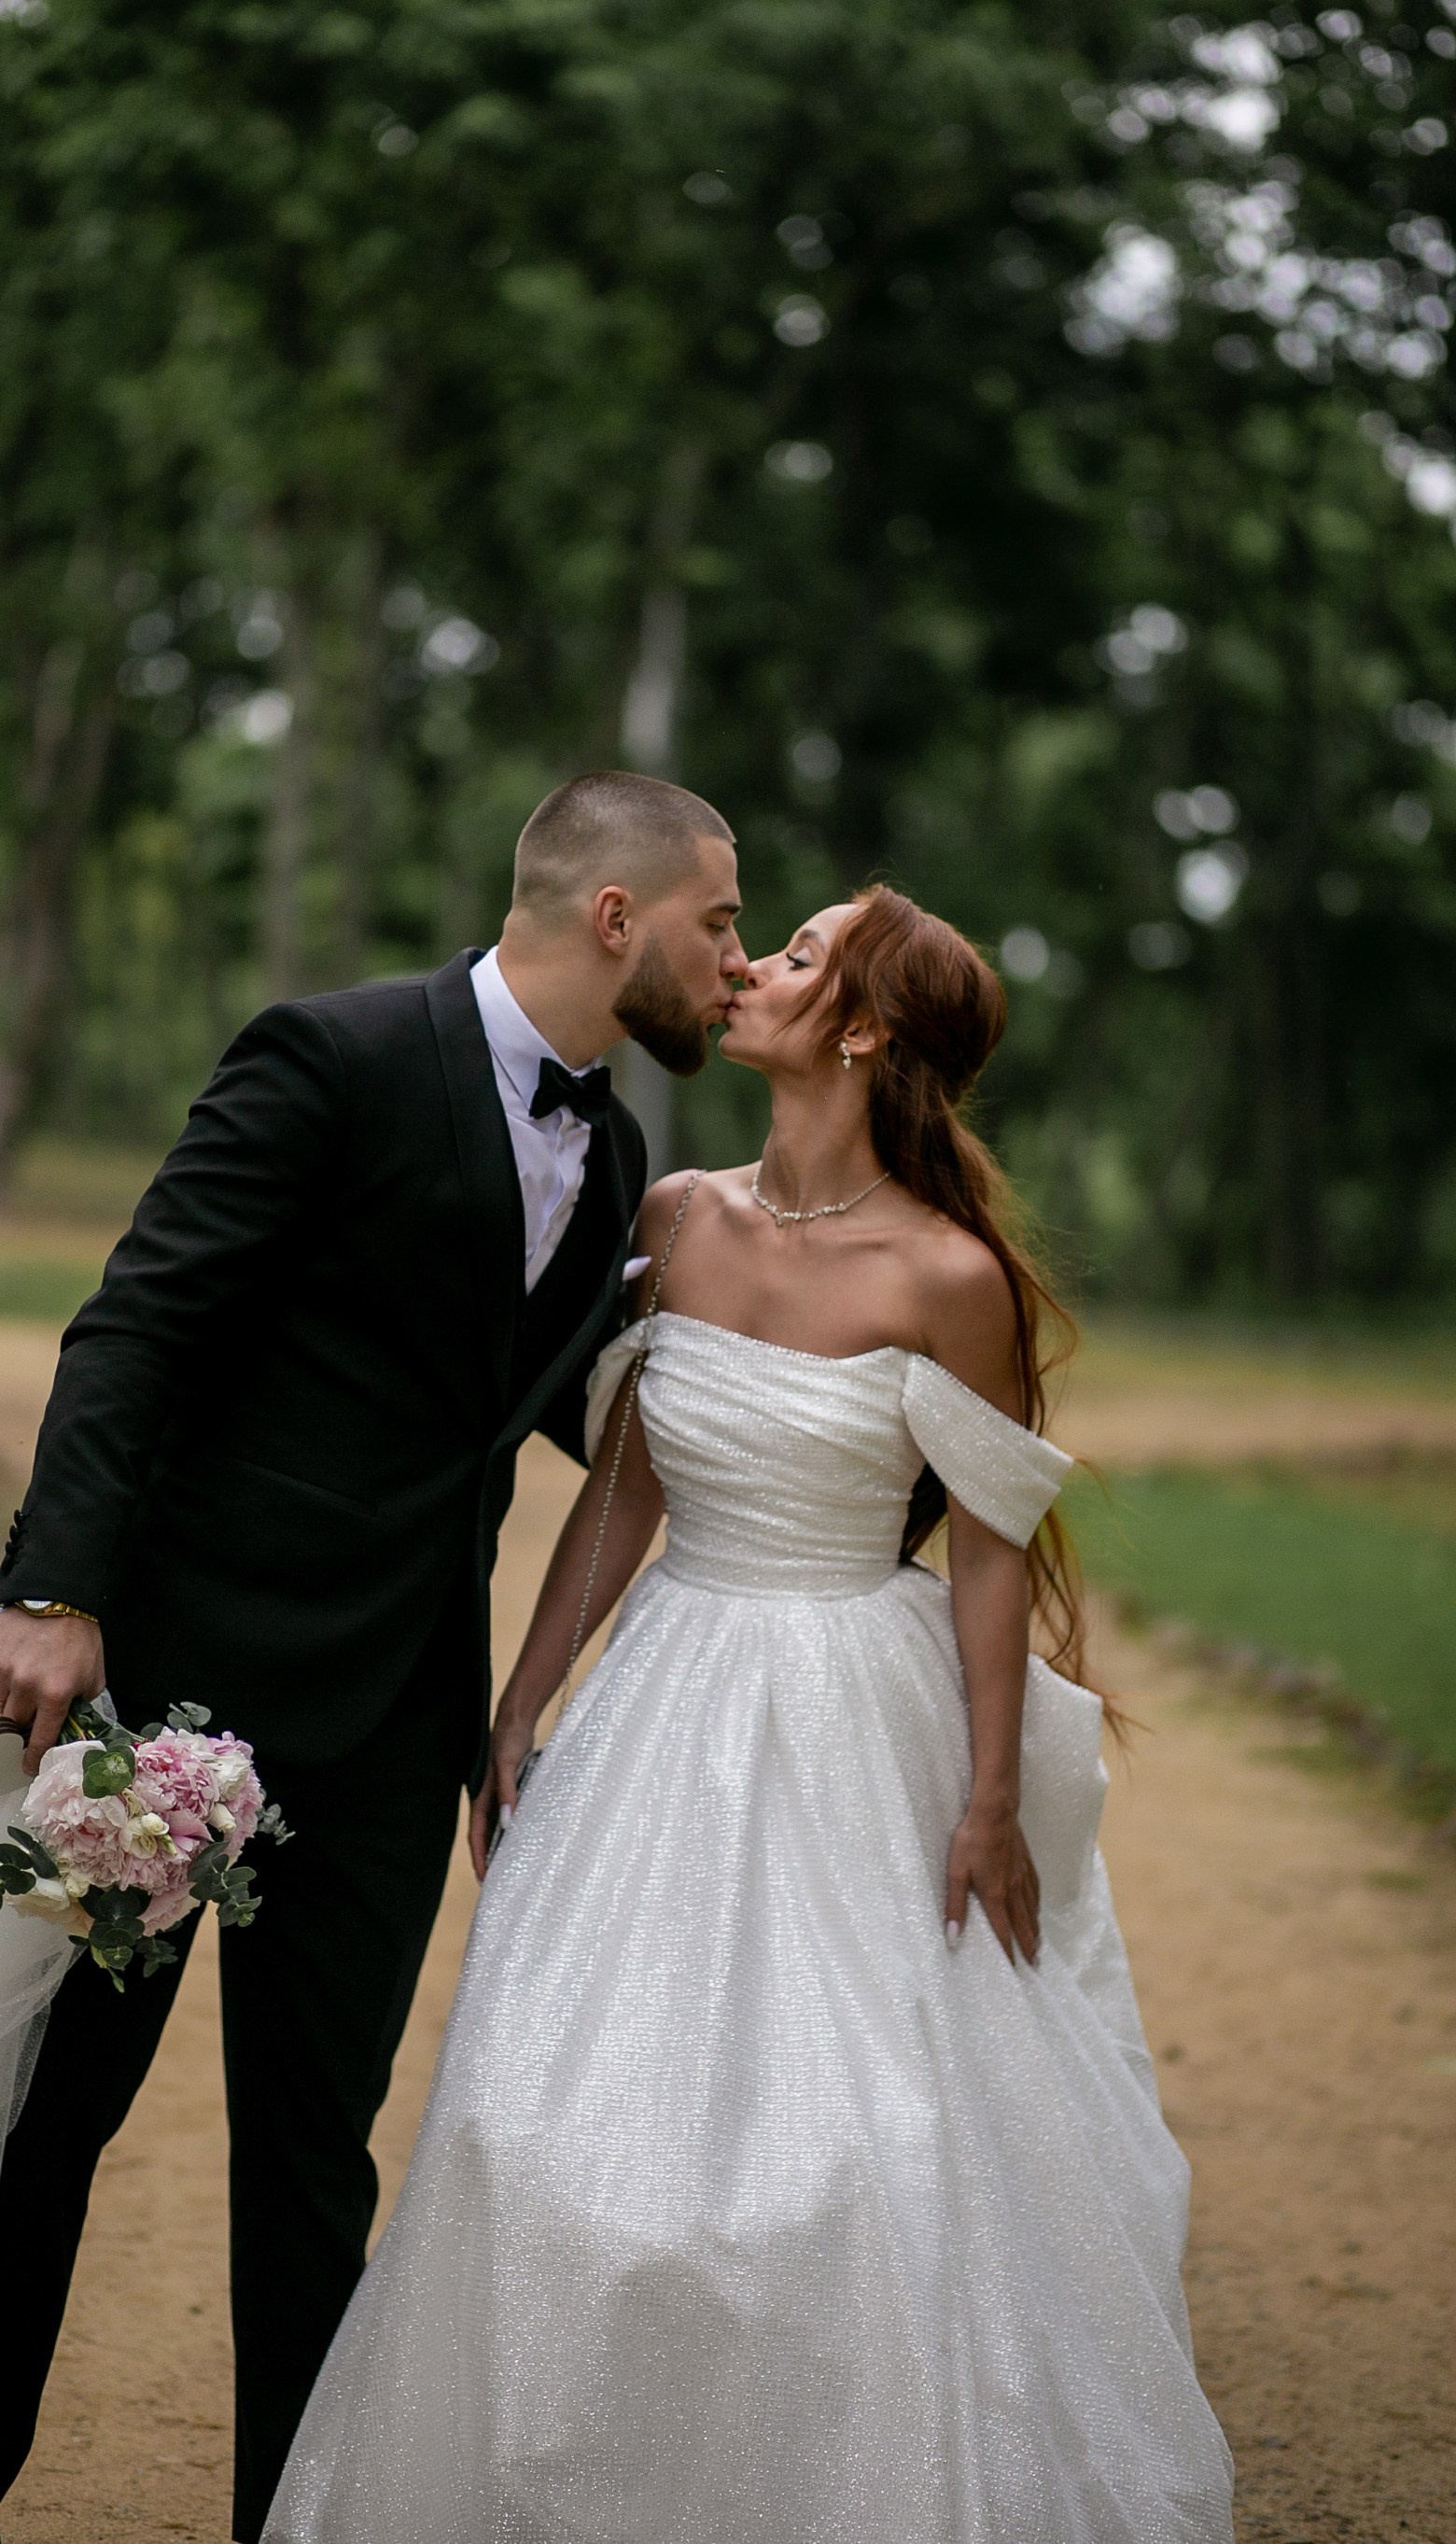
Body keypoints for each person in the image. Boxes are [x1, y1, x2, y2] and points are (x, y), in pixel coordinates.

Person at [264, 887, 1236, 2544]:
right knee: (536, 2106)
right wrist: (524, 1697)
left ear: (859, 1028)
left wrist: (989, 1797)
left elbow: (994, 1556)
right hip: (666, 1700)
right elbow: (625, 1489)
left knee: (853, 2140)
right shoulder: (682, 1217)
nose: (748, 970)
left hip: (852, 1707)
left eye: (791, 954)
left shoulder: (950, 1276)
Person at [0, 771, 746, 2544]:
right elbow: (141, 1313)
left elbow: (524, 1413)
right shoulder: (331, 1053)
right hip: (178, 1698)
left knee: (316, 2167)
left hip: (397, 1727)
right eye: (721, 920)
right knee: (58, 2108)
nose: (734, 961)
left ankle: (291, 2525)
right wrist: (56, 1585)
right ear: (619, 918)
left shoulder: (614, 1156)